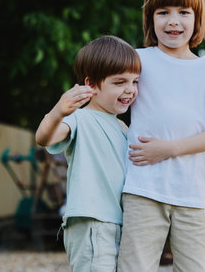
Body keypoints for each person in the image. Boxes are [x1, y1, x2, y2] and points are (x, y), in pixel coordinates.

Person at [117, 0, 205, 271]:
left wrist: (169, 149)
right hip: (142, 188)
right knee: (135, 266)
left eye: (183, 12)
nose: (173, 21)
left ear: (197, 19)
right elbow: (109, 101)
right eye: (163, 13)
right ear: (150, 18)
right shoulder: (137, 61)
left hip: (189, 192)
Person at [35, 35, 141, 272]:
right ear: (91, 85)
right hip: (92, 220)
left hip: (117, 221)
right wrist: (57, 112)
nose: (130, 90)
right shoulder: (80, 118)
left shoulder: (123, 127)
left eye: (134, 81)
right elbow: (44, 138)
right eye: (119, 82)